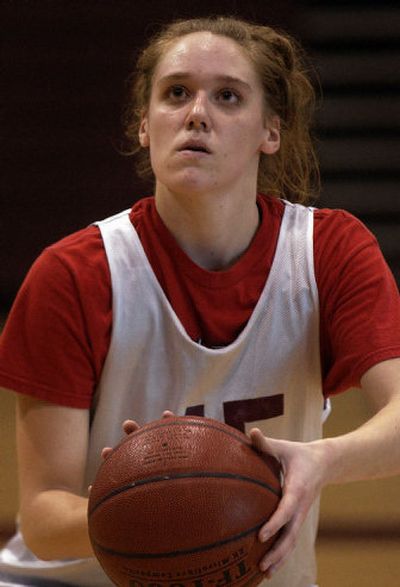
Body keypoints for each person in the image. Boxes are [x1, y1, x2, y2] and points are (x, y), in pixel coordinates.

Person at [0, 14, 399, 587]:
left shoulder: (325, 252)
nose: (197, 113)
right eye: (176, 93)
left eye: (229, 96)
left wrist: (321, 461)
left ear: (271, 132)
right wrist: (167, 507)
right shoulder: (74, 273)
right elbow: (41, 516)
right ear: (144, 124)